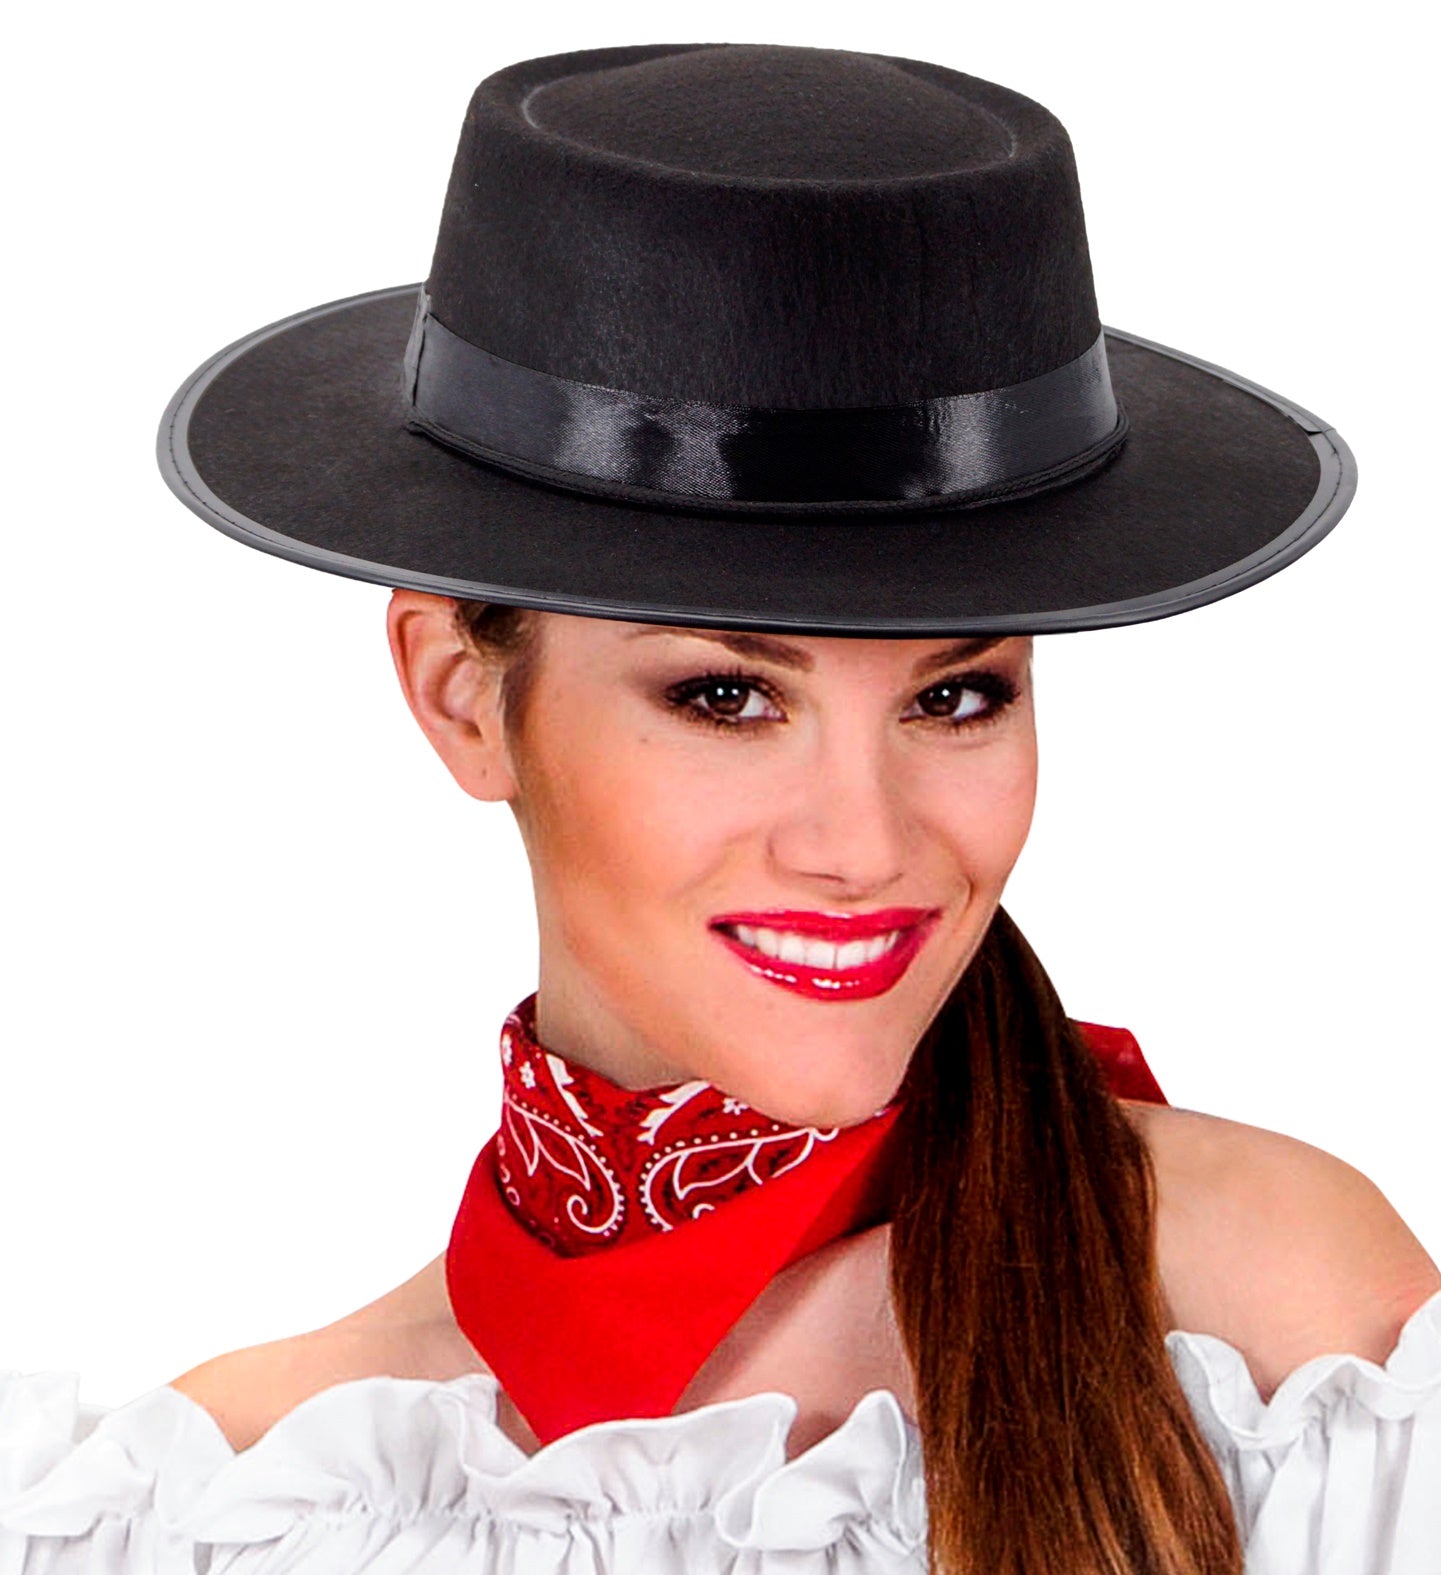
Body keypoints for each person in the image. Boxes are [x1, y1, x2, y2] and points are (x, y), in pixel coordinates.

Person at [3, 40, 1438, 1575]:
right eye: (727, 698)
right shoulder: (217, 1504)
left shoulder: (1265, 1322)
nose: (862, 845)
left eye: (954, 697)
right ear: (461, 694)